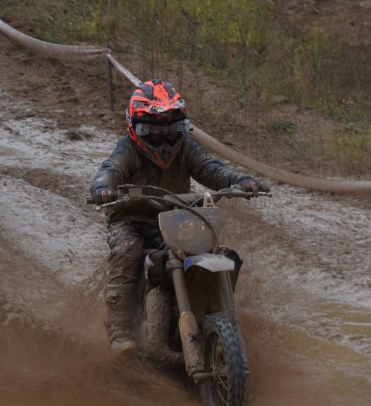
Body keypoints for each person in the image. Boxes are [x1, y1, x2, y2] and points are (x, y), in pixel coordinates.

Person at [90, 80, 265, 353]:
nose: (164, 140)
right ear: (136, 129)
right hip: (131, 221)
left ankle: (212, 315)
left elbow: (211, 169)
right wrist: (103, 187)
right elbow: (110, 169)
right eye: (154, 132)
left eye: (171, 131)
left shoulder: (185, 147)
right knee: (127, 250)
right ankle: (120, 330)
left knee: (208, 247)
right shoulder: (127, 148)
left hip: (174, 217)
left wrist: (239, 180)